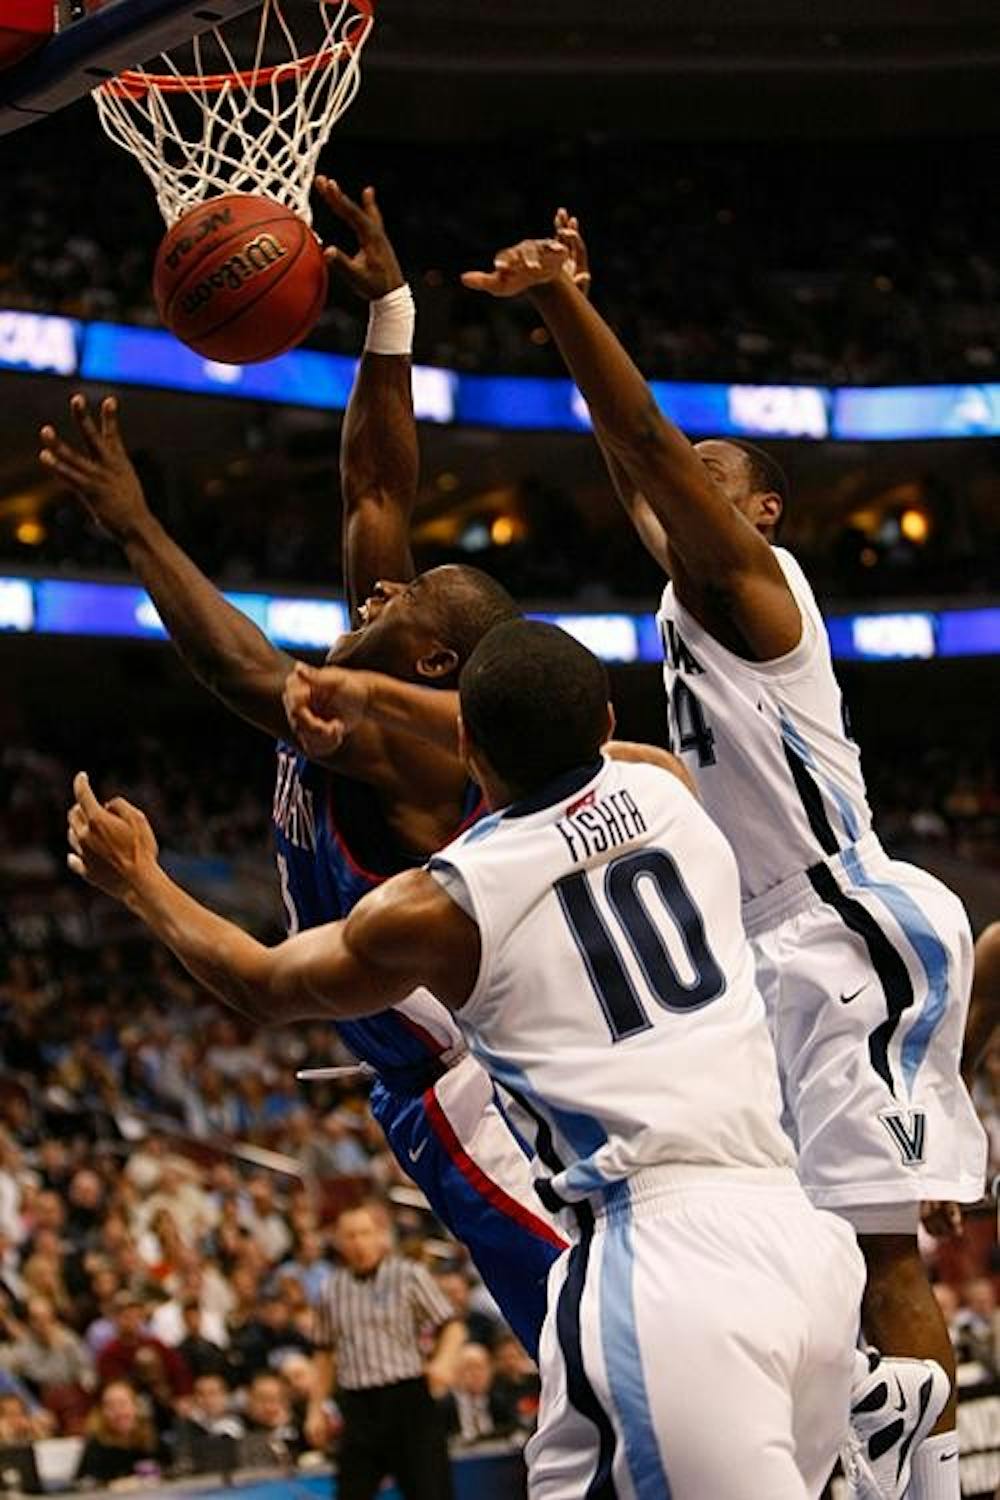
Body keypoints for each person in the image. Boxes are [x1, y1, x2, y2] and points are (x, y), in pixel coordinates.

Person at [67, 618, 875, 1499]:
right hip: (796, 1232)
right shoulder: (668, 785)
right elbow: (579, 741)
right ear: (605, 721)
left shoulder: (440, 905)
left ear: (463, 742)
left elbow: (261, 982)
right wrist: (381, 696)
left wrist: (140, 879)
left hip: (661, 1266)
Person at [457, 223, 988, 1499]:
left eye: (709, 473)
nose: (676, 484)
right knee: (803, 1235)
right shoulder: (681, 597)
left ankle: (941, 1487)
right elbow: (638, 474)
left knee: (879, 1247)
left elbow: (645, 452)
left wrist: (567, 309)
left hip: (840, 913)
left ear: (756, 510)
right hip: (767, 942)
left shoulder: (759, 588)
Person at [37, 179, 564, 1359]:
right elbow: (378, 488)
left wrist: (133, 525)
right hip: (432, 1074)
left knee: (610, 1346)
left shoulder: (403, 735)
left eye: (398, 597)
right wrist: (390, 314)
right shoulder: (391, 656)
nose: (375, 587)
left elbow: (237, 673)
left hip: (470, 1091)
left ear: (430, 658)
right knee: (594, 1365)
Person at [304, 1202, 461, 1500]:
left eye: (364, 1233)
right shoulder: (330, 1289)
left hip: (408, 1399)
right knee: (350, 1493)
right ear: (338, 1241)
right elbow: (323, 1353)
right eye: (350, 1236)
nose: (358, 1242)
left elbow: (451, 1325)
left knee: (431, 1491)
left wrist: (443, 1362)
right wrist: (315, 1409)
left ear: (379, 1236)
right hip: (359, 1405)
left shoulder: (409, 1275)